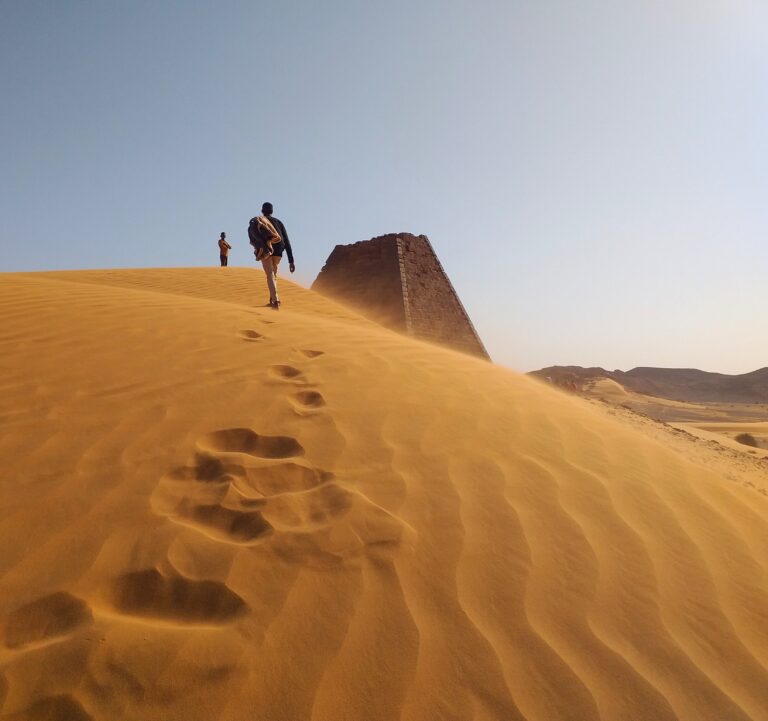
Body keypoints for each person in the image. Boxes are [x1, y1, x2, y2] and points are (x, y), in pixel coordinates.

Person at [257, 202, 295, 309]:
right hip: (279, 251)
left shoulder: (259, 220)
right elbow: (287, 241)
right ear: (272, 211)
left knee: (269, 274)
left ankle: (275, 301)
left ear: (262, 211)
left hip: (267, 249)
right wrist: (291, 261)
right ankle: (272, 298)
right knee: (273, 275)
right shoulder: (279, 222)